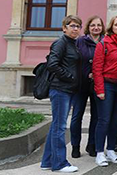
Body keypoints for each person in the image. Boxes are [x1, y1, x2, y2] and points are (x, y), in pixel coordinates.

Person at [41, 15, 82, 173]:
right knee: (60, 127)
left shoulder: (73, 43)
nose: (75, 28)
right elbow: (52, 65)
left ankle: (47, 161)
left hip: (68, 89)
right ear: (64, 28)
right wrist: (70, 77)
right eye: (72, 26)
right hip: (60, 89)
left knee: (56, 126)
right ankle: (60, 164)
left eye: (78, 26)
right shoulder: (61, 43)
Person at [92, 16, 117, 167]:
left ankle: (111, 149)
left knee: (116, 120)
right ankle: (99, 152)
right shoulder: (104, 44)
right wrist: (100, 89)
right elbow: (97, 68)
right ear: (111, 27)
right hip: (107, 85)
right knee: (104, 120)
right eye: (116, 24)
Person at [70, 16, 103, 159]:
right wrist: (85, 74)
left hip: (98, 85)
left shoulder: (104, 41)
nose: (96, 28)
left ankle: (92, 145)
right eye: (93, 25)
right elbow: (74, 62)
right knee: (77, 116)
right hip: (80, 85)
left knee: (96, 117)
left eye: (99, 25)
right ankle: (75, 146)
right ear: (88, 27)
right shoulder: (80, 42)